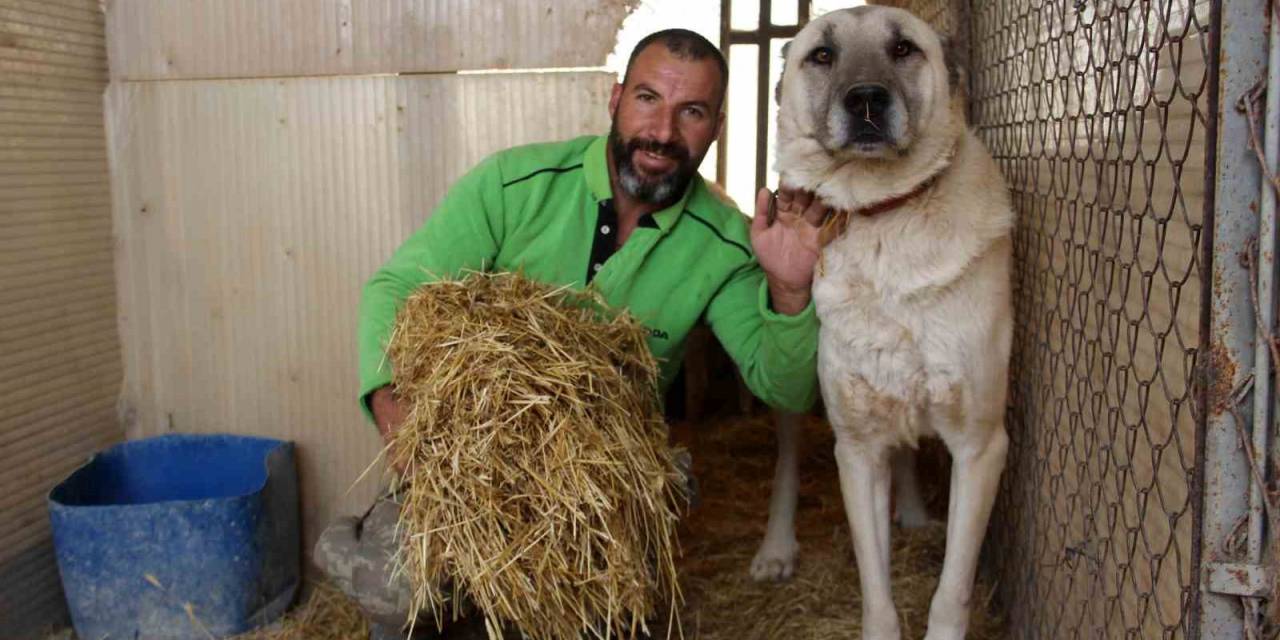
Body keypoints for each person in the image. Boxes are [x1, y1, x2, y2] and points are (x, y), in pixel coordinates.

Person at [317, 29, 831, 639]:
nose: (663, 133)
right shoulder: (515, 184)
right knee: (397, 588)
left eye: (690, 112)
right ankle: (361, 549)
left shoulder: (724, 242)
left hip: (595, 485)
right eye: (647, 100)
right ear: (614, 100)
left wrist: (791, 291)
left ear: (715, 127)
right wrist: (396, 416)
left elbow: (788, 388)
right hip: (468, 458)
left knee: (601, 621)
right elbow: (395, 288)